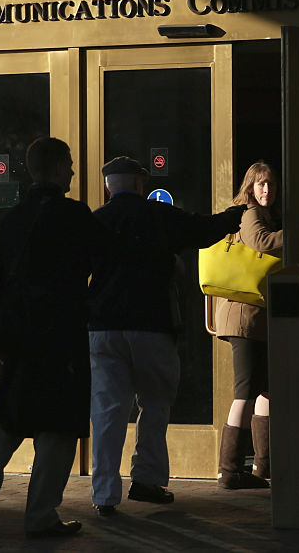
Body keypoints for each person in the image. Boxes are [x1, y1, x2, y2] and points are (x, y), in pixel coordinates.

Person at [0, 136, 115, 539]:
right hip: (62, 336)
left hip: (21, 340)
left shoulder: (12, 220)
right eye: (71, 165)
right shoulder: (75, 216)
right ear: (60, 168)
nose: (75, 172)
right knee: (57, 429)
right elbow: (108, 262)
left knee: (10, 422)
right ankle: (41, 514)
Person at [87, 156, 246, 516]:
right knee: (155, 403)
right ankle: (146, 479)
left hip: (103, 327)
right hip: (152, 323)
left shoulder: (96, 221)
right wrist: (239, 210)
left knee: (108, 410)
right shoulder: (158, 215)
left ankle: (104, 494)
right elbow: (206, 229)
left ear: (109, 186)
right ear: (141, 184)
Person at [212, 160, 299, 489]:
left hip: (256, 316)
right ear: (250, 187)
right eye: (261, 184)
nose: (267, 190)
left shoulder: (264, 215)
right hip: (244, 317)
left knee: (265, 390)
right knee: (245, 392)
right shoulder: (249, 213)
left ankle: (263, 466)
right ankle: (230, 469)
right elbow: (262, 243)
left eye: (271, 184)